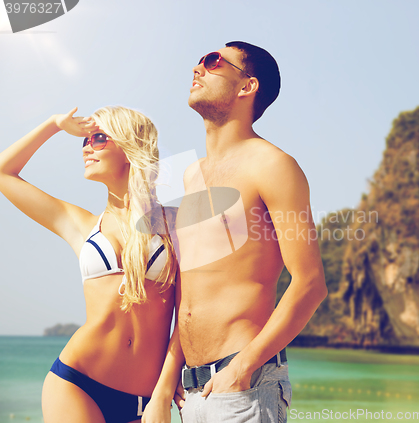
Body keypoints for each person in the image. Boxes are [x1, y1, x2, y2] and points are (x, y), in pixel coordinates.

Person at [143, 42, 327, 423]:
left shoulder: (273, 166)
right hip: (190, 393)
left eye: (213, 62)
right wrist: (163, 385)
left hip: (244, 387)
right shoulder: (188, 176)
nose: (198, 68)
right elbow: (190, 295)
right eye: (198, 60)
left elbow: (310, 284)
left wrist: (243, 368)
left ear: (247, 87)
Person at [0, 106, 179, 423]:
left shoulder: (175, 225)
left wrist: (166, 386)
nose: (86, 147)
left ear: (127, 146)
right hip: (76, 383)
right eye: (84, 141)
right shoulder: (81, 225)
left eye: (98, 139)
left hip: (145, 396)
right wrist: (54, 124)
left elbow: (190, 312)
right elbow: (3, 173)